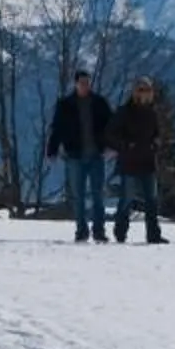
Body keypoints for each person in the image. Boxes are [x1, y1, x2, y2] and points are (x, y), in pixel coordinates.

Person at [45, 70, 113, 244]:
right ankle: (81, 231)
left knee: (98, 195)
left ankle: (99, 231)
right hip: (74, 155)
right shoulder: (65, 104)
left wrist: (112, 147)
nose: (85, 85)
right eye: (82, 82)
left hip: (97, 155)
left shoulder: (100, 103)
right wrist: (52, 150)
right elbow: (57, 128)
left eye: (87, 82)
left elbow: (112, 126)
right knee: (79, 196)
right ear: (75, 84)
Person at [109, 76, 169, 244]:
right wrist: (126, 145)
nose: (145, 93)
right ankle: (120, 232)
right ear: (134, 92)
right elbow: (110, 134)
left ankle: (153, 234)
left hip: (148, 162)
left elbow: (157, 133)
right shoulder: (124, 112)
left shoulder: (152, 113)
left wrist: (156, 143)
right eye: (141, 89)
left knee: (151, 200)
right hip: (129, 163)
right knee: (127, 199)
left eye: (148, 90)